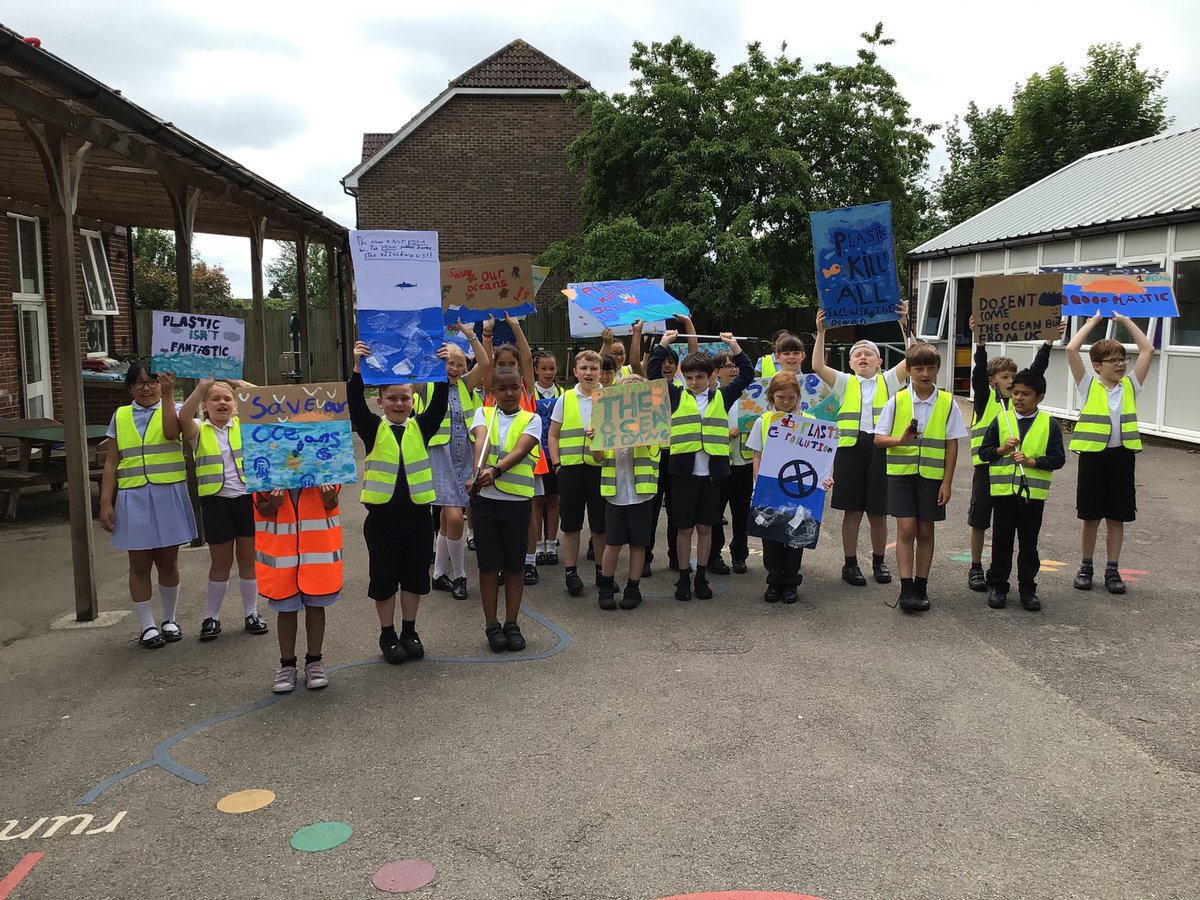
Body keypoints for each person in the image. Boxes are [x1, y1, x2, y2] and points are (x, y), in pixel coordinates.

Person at [349, 341, 449, 664]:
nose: (399, 403)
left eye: (405, 397)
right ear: (380, 401)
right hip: (382, 521)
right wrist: (357, 368)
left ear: (413, 400)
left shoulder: (422, 427)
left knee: (414, 577)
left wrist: (441, 372)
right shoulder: (373, 428)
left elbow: (439, 405)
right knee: (384, 579)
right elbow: (354, 405)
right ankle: (387, 634)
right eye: (392, 398)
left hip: (418, 518)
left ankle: (410, 630)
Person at [647, 330, 754, 601]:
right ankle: (684, 577)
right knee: (684, 528)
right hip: (684, 474)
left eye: (700, 377)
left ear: (712, 376)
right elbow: (653, 374)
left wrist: (734, 345)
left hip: (712, 475)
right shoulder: (676, 395)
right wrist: (663, 344)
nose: (695, 382)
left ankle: (701, 576)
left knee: (706, 528)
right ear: (683, 376)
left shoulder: (723, 395)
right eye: (690, 377)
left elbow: (747, 374)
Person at [812, 304, 912, 589]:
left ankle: (879, 561)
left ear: (880, 361)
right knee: (852, 511)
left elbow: (913, 357)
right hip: (850, 450)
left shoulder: (889, 381)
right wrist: (821, 333)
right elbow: (817, 366)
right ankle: (850, 563)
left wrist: (904, 324)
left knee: (878, 512)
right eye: (858, 354)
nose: (863, 357)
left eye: (869, 353)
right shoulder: (844, 382)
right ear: (850, 363)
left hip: (880, 448)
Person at [99, 362, 196, 649]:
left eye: (152, 381)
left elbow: (171, 434)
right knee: (139, 563)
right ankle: (147, 626)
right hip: (133, 496)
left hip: (168, 493)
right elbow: (112, 461)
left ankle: (169, 620)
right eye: (139, 383)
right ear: (130, 388)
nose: (146, 388)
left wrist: (168, 394)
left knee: (168, 561)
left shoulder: (175, 409)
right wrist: (106, 502)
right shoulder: (120, 416)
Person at [964, 315, 1060, 591]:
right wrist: (979, 342)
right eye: (1004, 377)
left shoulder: (1021, 403)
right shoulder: (986, 400)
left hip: (1016, 474)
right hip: (987, 469)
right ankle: (976, 567)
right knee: (980, 520)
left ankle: (1014, 577)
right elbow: (978, 372)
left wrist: (1048, 343)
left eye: (1013, 377)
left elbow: (1037, 371)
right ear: (992, 381)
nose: (1010, 381)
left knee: (1009, 529)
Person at [874, 342, 967, 612]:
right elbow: (879, 439)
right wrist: (900, 439)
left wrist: (947, 481)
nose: (925, 374)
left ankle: (921, 586)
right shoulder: (897, 400)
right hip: (901, 475)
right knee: (906, 529)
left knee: (926, 530)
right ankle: (906, 589)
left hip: (932, 477)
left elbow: (952, 444)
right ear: (909, 370)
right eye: (919, 368)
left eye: (930, 368)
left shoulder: (948, 403)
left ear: (937, 369)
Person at [1065, 312, 1154, 594]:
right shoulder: (1088, 385)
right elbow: (1071, 349)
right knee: (1090, 516)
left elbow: (1147, 350)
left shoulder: (1130, 386)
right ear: (1096, 366)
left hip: (1121, 458)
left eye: (1123, 359)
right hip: (1093, 458)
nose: (1120, 364)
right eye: (1113, 360)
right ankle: (1086, 566)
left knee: (1117, 516)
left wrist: (1126, 321)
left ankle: (1112, 569)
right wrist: (1093, 322)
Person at [177, 376, 267, 642]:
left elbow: (266, 398)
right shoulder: (198, 429)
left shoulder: (243, 425)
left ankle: (251, 613)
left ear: (236, 404)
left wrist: (236, 382)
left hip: (246, 499)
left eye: (228, 398)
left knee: (248, 561)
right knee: (220, 563)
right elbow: (183, 416)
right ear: (205, 406)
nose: (222, 403)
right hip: (216, 502)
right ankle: (211, 617)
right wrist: (202, 387)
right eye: (215, 399)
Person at [977, 369, 1065, 612]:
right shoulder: (1002, 419)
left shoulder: (1048, 423)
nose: (1018, 398)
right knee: (1001, 541)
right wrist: (1002, 450)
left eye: (1025, 394)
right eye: (1015, 393)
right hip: (1004, 492)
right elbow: (984, 453)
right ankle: (998, 585)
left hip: (1032, 495)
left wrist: (1032, 462)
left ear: (1040, 397)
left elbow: (1058, 458)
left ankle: (1028, 588)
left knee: (1028, 543)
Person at [468, 367, 542, 651]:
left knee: (514, 565)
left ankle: (512, 623)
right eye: (502, 388)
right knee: (488, 565)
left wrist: (495, 471)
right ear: (493, 392)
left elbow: (521, 450)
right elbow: (481, 443)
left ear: (521, 389)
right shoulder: (483, 414)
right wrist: (476, 473)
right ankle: (492, 624)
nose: (509, 393)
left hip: (517, 504)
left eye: (514, 387)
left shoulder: (531, 419)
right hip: (486, 502)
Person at [745, 372, 834, 602]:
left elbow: (821, 457)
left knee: (796, 534)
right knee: (771, 532)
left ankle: (790, 581)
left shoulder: (810, 422)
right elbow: (757, 455)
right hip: (770, 487)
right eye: (780, 397)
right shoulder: (763, 421)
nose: (786, 402)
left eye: (791, 398)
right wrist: (759, 483)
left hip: (800, 489)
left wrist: (825, 479)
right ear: (771, 397)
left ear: (798, 397)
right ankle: (774, 580)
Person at [422, 321, 489, 602]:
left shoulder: (466, 386)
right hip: (440, 457)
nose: (455, 368)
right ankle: (460, 575)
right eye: (450, 363)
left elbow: (485, 363)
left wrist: (469, 333)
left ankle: (438, 575)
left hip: (463, 457)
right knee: (453, 517)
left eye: (460, 364)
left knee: (446, 520)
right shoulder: (427, 386)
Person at [256, 485, 341, 692]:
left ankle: (314, 661)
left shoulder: (323, 469)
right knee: (286, 609)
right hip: (283, 557)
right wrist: (273, 504)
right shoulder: (269, 470)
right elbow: (261, 507)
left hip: (315, 553)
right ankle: (287, 665)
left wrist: (328, 497)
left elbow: (332, 502)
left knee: (316, 606)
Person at [589, 374, 659, 609]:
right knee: (613, 543)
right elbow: (597, 458)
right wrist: (595, 439)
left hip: (642, 494)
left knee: (638, 544)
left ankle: (633, 588)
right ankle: (606, 587)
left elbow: (655, 448)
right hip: (615, 494)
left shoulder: (651, 423)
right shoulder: (606, 423)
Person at [548, 349, 605, 596]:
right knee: (571, 524)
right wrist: (557, 465)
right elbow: (553, 434)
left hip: (600, 469)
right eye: (583, 368)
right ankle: (571, 572)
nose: (588, 373)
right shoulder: (566, 398)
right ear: (575, 372)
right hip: (570, 470)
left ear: (601, 372)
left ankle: (603, 572)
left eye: (593, 368)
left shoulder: (609, 398)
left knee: (600, 525)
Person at [707, 350, 753, 576]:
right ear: (716, 371)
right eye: (728, 366)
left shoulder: (750, 396)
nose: (734, 370)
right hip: (720, 464)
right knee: (715, 513)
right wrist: (725, 434)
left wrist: (735, 346)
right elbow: (703, 426)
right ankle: (714, 554)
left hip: (744, 463)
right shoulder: (711, 396)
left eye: (736, 366)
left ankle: (739, 555)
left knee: (741, 513)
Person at [530, 349, 563, 568]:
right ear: (535, 369)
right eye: (544, 368)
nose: (548, 372)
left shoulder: (562, 392)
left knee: (553, 499)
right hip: (536, 454)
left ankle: (551, 543)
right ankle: (537, 543)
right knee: (537, 501)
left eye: (552, 368)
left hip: (555, 454)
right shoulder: (529, 392)